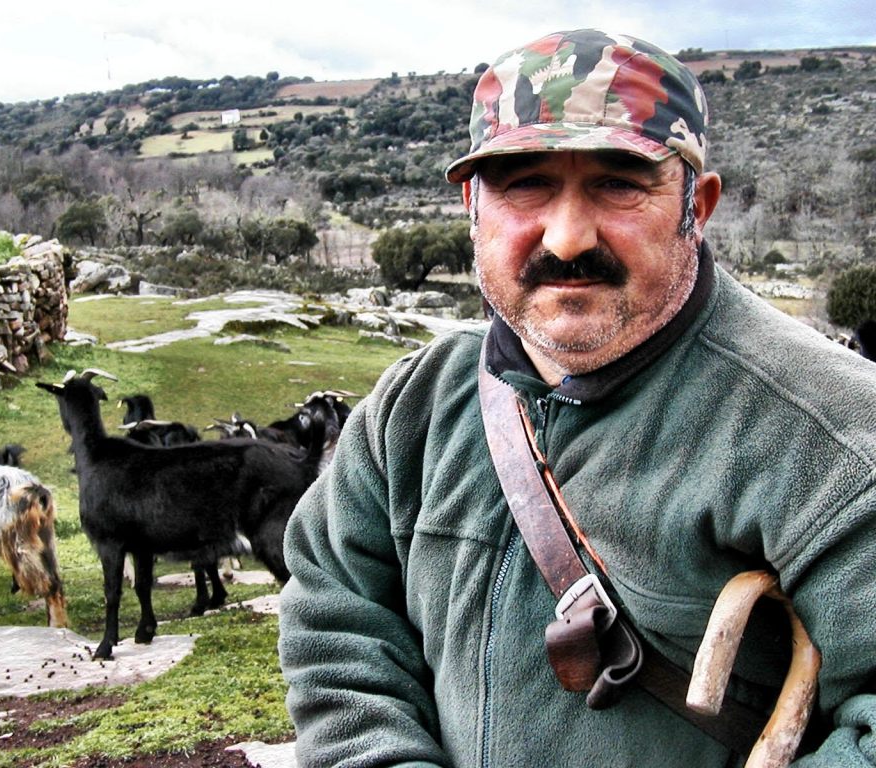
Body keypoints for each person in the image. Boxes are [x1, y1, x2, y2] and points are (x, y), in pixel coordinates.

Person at [278, 29, 876, 767]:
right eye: (523, 183)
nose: (565, 237)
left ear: (699, 205)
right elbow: (334, 614)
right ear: (472, 206)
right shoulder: (413, 409)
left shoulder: (834, 439)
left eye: (619, 183)